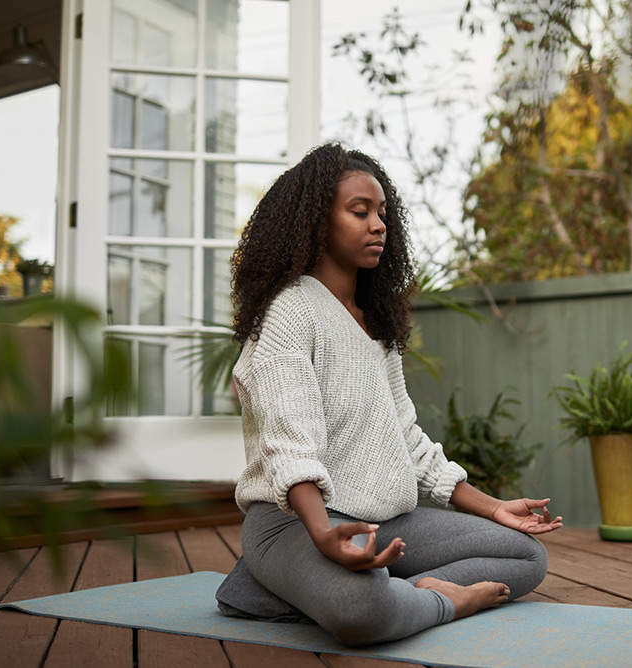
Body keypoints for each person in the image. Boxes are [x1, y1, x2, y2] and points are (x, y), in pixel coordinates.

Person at [216, 143, 562, 646]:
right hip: (294, 522)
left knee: (525, 556)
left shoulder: (375, 325)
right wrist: (323, 538)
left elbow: (407, 440)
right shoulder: (289, 312)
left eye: (382, 213)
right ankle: (434, 599)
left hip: (385, 519)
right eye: (360, 212)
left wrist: (492, 507)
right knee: (363, 609)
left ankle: (297, 589)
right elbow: (288, 446)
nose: (379, 224)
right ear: (315, 221)